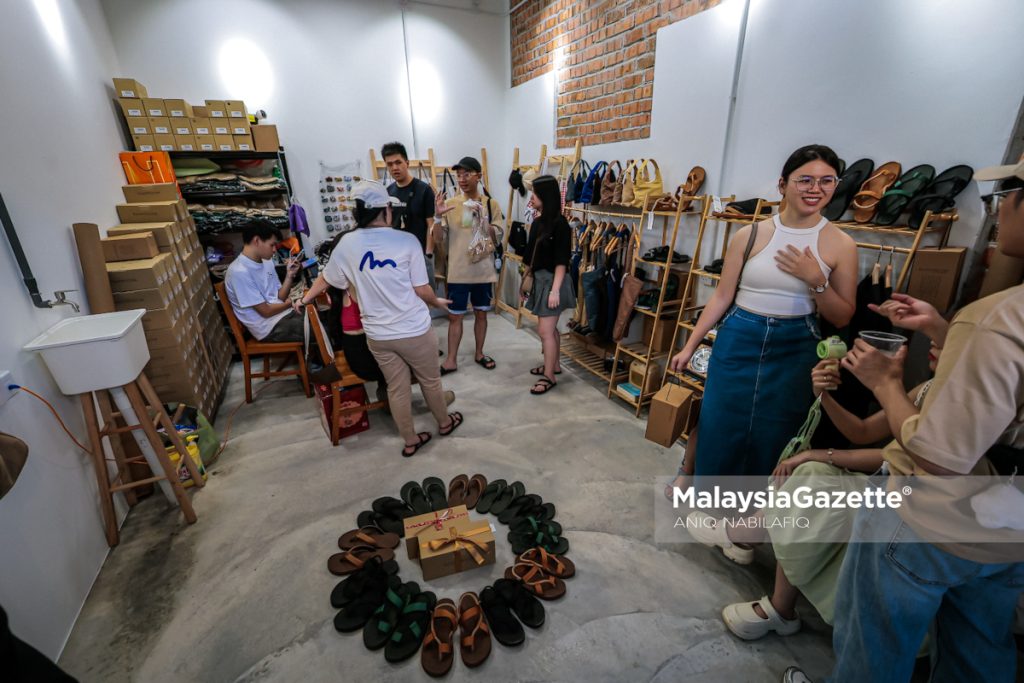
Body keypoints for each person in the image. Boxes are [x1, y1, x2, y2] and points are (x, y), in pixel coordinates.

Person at [782, 162, 1024, 683]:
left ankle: (778, 605)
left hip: (931, 521)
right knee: (979, 651)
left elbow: (936, 455)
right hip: (1009, 523)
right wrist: (943, 329)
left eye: (1005, 194)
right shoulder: (993, 326)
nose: (999, 209)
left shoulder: (998, 319)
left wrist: (885, 384)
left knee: (874, 650)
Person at [668, 144, 858, 478]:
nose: (816, 189)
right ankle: (709, 498)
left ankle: (755, 512)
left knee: (778, 428)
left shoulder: (840, 244)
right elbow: (722, 297)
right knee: (719, 419)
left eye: (826, 181)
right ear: (783, 185)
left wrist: (816, 282)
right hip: (740, 334)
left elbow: (842, 316)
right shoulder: (750, 234)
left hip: (797, 343)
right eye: (805, 180)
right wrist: (690, 345)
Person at [299, 180, 463, 457]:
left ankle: (410, 440)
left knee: (396, 388)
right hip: (413, 330)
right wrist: (437, 302)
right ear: (386, 209)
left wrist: (303, 300)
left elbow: (327, 280)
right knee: (430, 381)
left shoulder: (346, 243)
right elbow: (422, 290)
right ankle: (445, 423)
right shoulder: (406, 240)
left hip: (378, 336)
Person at [433, 156, 504, 374]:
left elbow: (498, 236)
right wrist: (436, 217)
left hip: (482, 271)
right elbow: (438, 239)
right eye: (459, 175)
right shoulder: (451, 204)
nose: (462, 179)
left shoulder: (490, 204)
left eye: (467, 174)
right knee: (455, 317)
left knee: (482, 314)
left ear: (478, 176)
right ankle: (451, 359)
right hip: (458, 272)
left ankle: (479, 353)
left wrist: (482, 218)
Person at [521, 174, 575, 394]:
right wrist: (524, 286)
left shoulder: (560, 225)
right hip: (540, 281)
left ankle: (549, 376)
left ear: (546, 196)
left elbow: (562, 261)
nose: (531, 197)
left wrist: (555, 291)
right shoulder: (537, 222)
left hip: (554, 282)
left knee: (545, 331)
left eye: (535, 193)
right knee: (550, 331)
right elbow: (529, 258)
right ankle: (555, 366)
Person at [223, 219, 304, 342]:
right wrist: (290, 303)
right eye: (272, 245)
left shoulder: (267, 261)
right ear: (256, 241)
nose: (274, 250)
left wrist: (289, 275)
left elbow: (279, 298)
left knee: (320, 315)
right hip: (268, 327)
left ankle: (319, 357)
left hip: (283, 315)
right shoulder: (239, 272)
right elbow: (265, 312)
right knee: (318, 328)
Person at [381, 141, 438, 288]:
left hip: (420, 255)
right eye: (390, 164)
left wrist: (428, 254)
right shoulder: (388, 192)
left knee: (425, 300)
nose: (395, 167)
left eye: (398, 162)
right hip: (397, 257)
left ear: (407, 163)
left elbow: (430, 224)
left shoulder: (424, 190)